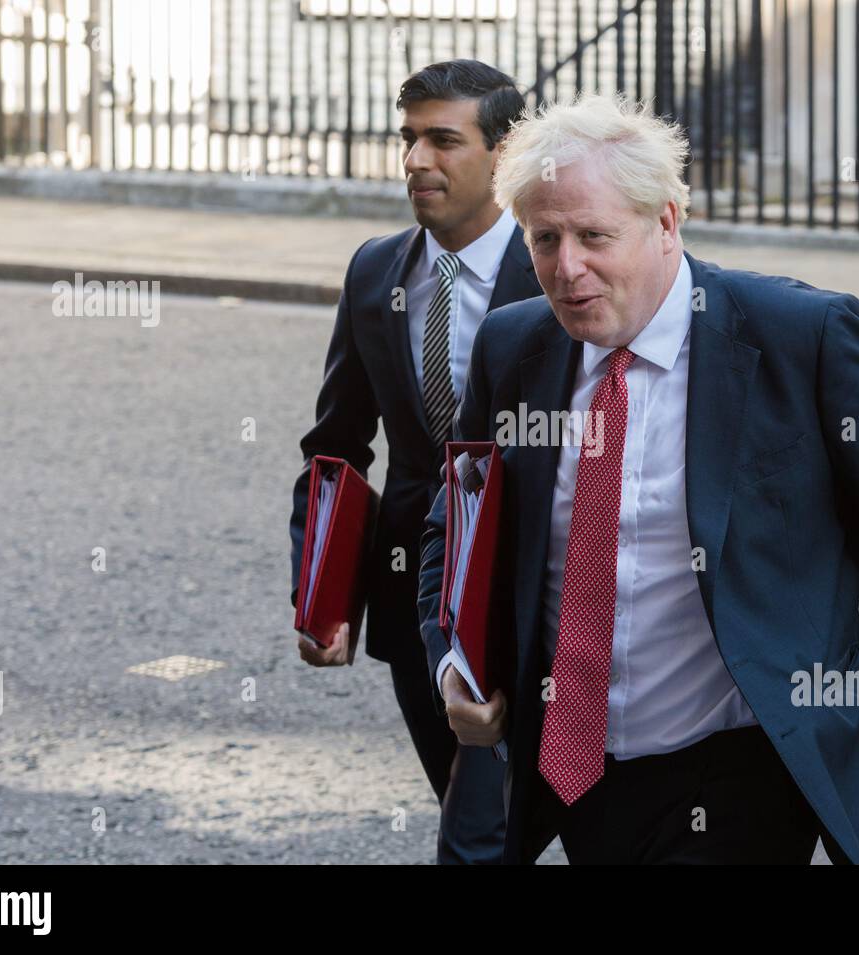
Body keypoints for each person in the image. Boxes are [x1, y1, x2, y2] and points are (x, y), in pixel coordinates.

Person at [417, 94, 859, 864]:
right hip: (572, 762)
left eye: (593, 236)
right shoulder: (512, 347)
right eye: (544, 239)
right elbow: (455, 525)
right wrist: (453, 662)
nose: (566, 268)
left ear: (666, 221)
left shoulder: (803, 336)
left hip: (739, 758)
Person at [289, 60, 542, 864]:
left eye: (442, 140)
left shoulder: (557, 270)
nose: (415, 162)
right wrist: (321, 594)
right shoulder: (375, 271)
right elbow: (336, 443)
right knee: (475, 821)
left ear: (504, 152)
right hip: (420, 607)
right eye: (407, 140)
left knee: (496, 835)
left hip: (541, 600)